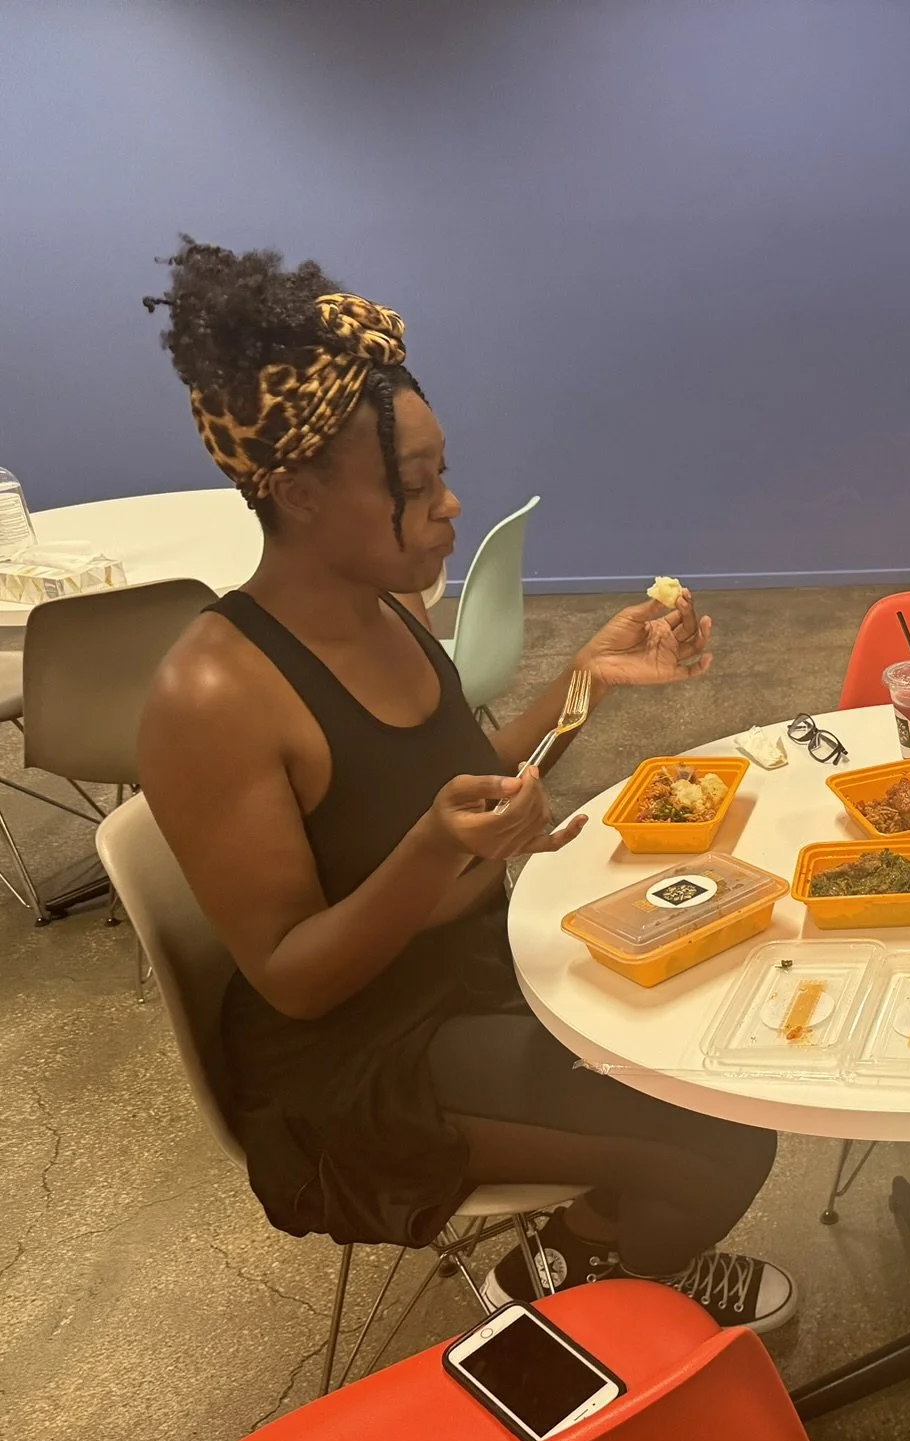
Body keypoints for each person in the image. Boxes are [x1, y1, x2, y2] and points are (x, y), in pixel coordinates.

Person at [136, 239, 793, 1330]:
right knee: (723, 1136)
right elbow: (295, 979)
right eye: (413, 485)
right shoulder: (212, 693)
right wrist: (437, 850)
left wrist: (586, 681)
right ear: (297, 492)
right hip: (355, 1061)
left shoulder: (387, 606)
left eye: (441, 472)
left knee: (730, 1027)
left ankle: (584, 1250)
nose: (448, 506)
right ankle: (585, 1275)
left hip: (467, 966)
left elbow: (467, 789)